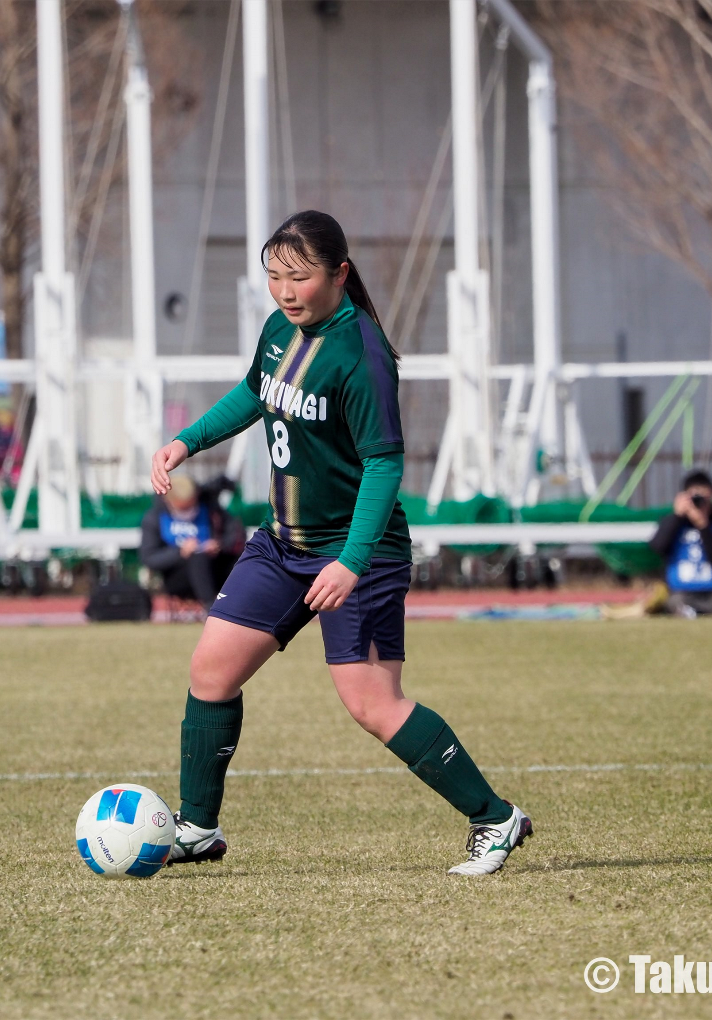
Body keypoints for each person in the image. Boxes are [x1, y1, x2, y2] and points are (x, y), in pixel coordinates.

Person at [149, 211, 533, 876]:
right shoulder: (278, 330)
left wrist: (352, 562)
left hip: (364, 552)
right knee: (211, 671)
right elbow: (253, 394)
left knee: (372, 703)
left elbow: (385, 465)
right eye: (274, 276)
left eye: (299, 277)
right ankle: (198, 828)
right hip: (282, 544)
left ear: (340, 274)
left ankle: (495, 818)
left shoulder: (363, 355)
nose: (285, 291)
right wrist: (188, 442)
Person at [646, 469, 712, 617]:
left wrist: (703, 526)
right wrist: (677, 516)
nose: (699, 504)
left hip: (711, 594)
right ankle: (690, 610)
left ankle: (694, 611)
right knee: (674, 600)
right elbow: (657, 546)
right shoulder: (673, 523)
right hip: (681, 592)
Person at [139, 474, 243, 609]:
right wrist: (180, 552)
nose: (189, 510)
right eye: (183, 508)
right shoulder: (154, 518)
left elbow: (234, 535)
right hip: (177, 576)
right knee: (197, 558)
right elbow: (149, 558)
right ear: (169, 501)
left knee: (241, 562)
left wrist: (219, 545)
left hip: (214, 567)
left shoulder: (211, 510)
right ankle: (211, 609)